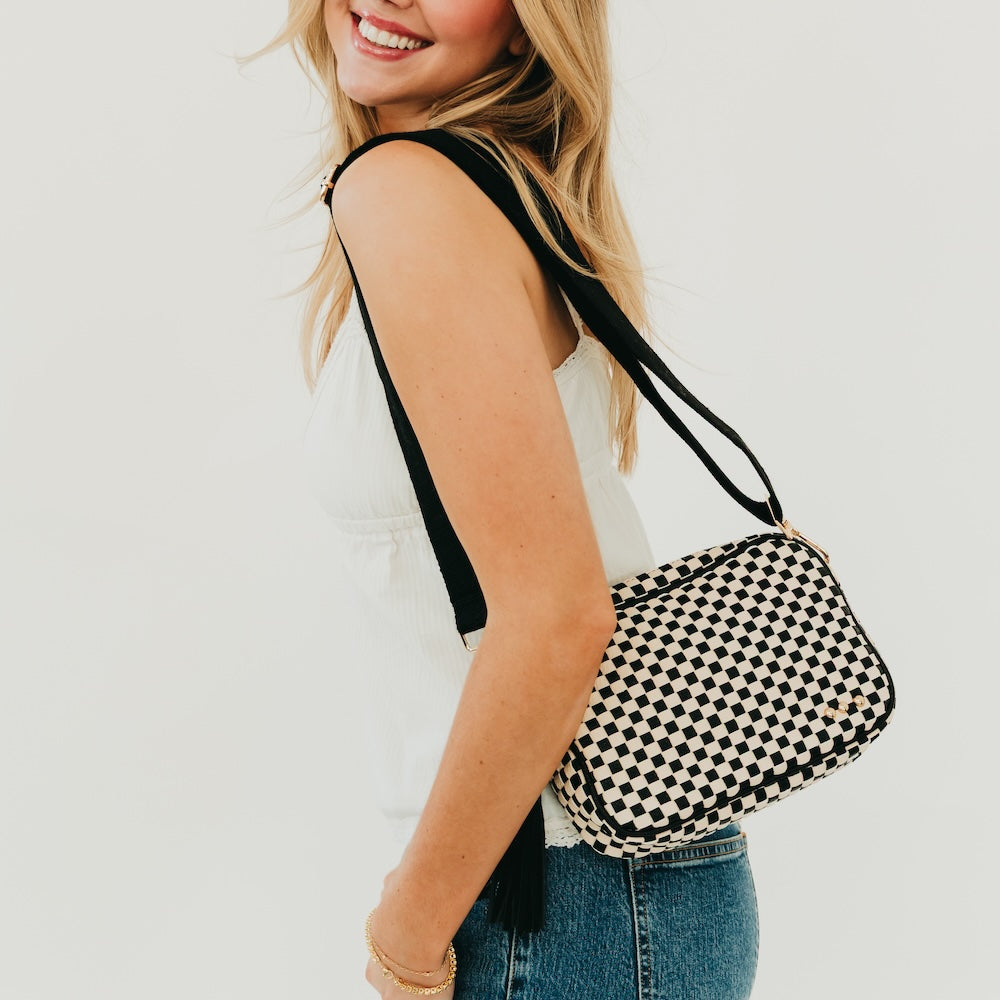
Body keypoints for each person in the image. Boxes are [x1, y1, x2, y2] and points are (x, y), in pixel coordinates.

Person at [247, 2, 759, 996]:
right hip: (601, 884)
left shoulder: (406, 190)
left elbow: (556, 618)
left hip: (556, 895)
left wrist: (406, 934)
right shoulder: (491, 188)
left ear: (527, 23)